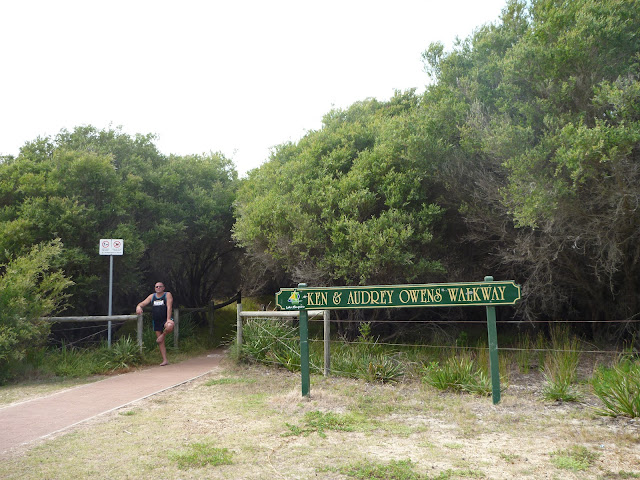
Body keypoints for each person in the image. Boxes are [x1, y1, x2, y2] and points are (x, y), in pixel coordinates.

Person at [136, 282, 174, 366]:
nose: (158, 288)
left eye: (160, 286)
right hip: (156, 320)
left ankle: (163, 335)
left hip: (165, 319)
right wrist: (138, 307)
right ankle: (165, 360)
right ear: (154, 288)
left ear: (163, 288)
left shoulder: (167, 295)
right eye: (156, 287)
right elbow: (142, 303)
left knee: (170, 326)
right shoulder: (152, 296)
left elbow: (169, 307)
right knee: (160, 342)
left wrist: (168, 319)